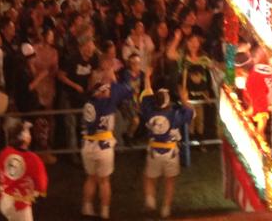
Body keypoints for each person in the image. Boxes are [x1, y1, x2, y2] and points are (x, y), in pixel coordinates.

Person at [140, 69, 195, 220]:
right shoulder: (175, 115)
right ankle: (165, 208)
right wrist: (184, 99)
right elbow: (190, 112)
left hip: (154, 151)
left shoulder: (148, 111)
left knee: (149, 177)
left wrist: (147, 78)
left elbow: (146, 96)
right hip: (171, 153)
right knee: (169, 181)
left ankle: (150, 201)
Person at [79, 71, 132, 220]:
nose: (109, 90)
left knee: (90, 178)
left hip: (88, 145)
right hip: (103, 147)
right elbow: (127, 89)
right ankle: (104, 211)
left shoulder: (89, 102)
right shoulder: (107, 102)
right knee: (104, 181)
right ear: (101, 92)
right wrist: (115, 78)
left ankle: (87, 207)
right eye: (105, 89)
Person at [0, 121, 48, 221]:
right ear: (25, 138)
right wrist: (39, 193)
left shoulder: (5, 152)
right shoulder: (33, 159)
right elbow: (41, 185)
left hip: (4, 199)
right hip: (20, 204)